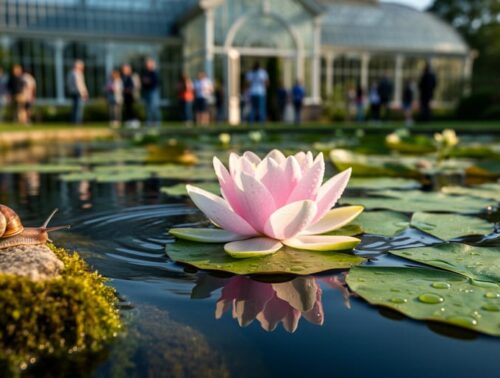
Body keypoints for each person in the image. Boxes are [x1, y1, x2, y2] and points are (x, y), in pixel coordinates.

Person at [141, 58, 161, 127]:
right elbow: (143, 82)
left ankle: (157, 122)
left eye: (148, 64)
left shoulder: (155, 73)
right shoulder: (145, 73)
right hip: (147, 91)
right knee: (148, 107)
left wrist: (148, 81)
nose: (147, 65)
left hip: (153, 92)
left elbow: (155, 82)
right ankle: (149, 121)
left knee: (154, 107)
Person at [67, 60, 88, 125]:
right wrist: (84, 93)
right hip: (78, 92)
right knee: (78, 108)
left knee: (75, 107)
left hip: (73, 92)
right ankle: (77, 121)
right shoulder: (77, 73)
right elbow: (79, 84)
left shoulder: (70, 73)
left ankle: (74, 121)